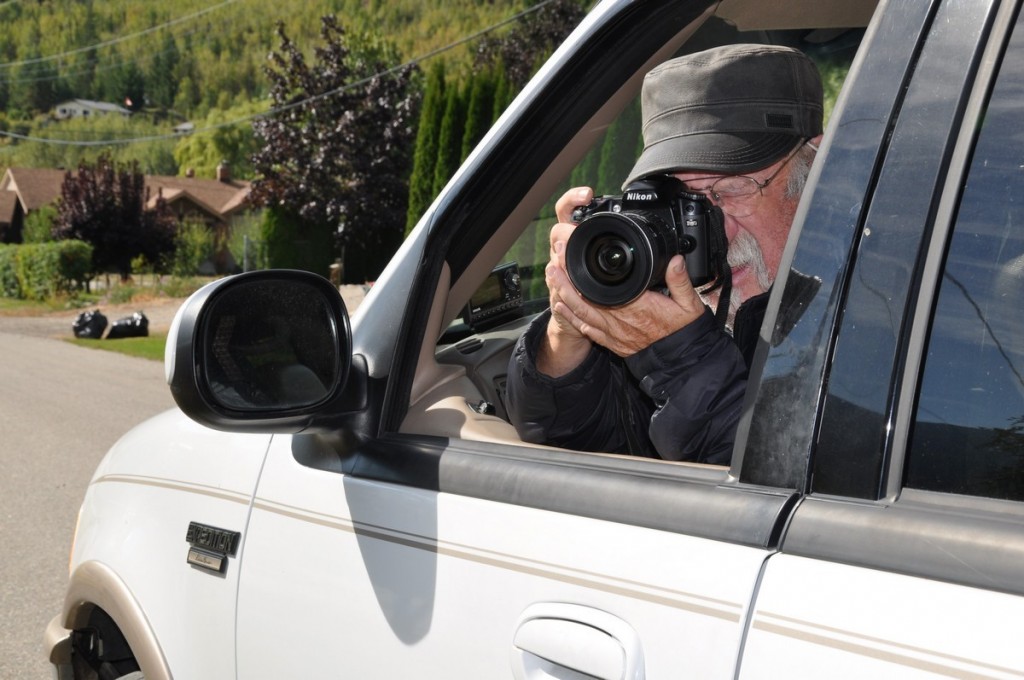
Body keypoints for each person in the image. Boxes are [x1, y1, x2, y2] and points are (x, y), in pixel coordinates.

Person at [504, 43, 824, 464]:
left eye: (731, 189)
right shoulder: (661, 301)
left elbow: (793, 480)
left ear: (818, 165)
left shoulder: (876, 310)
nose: (715, 231)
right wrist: (570, 330)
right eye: (685, 202)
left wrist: (682, 358)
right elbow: (563, 445)